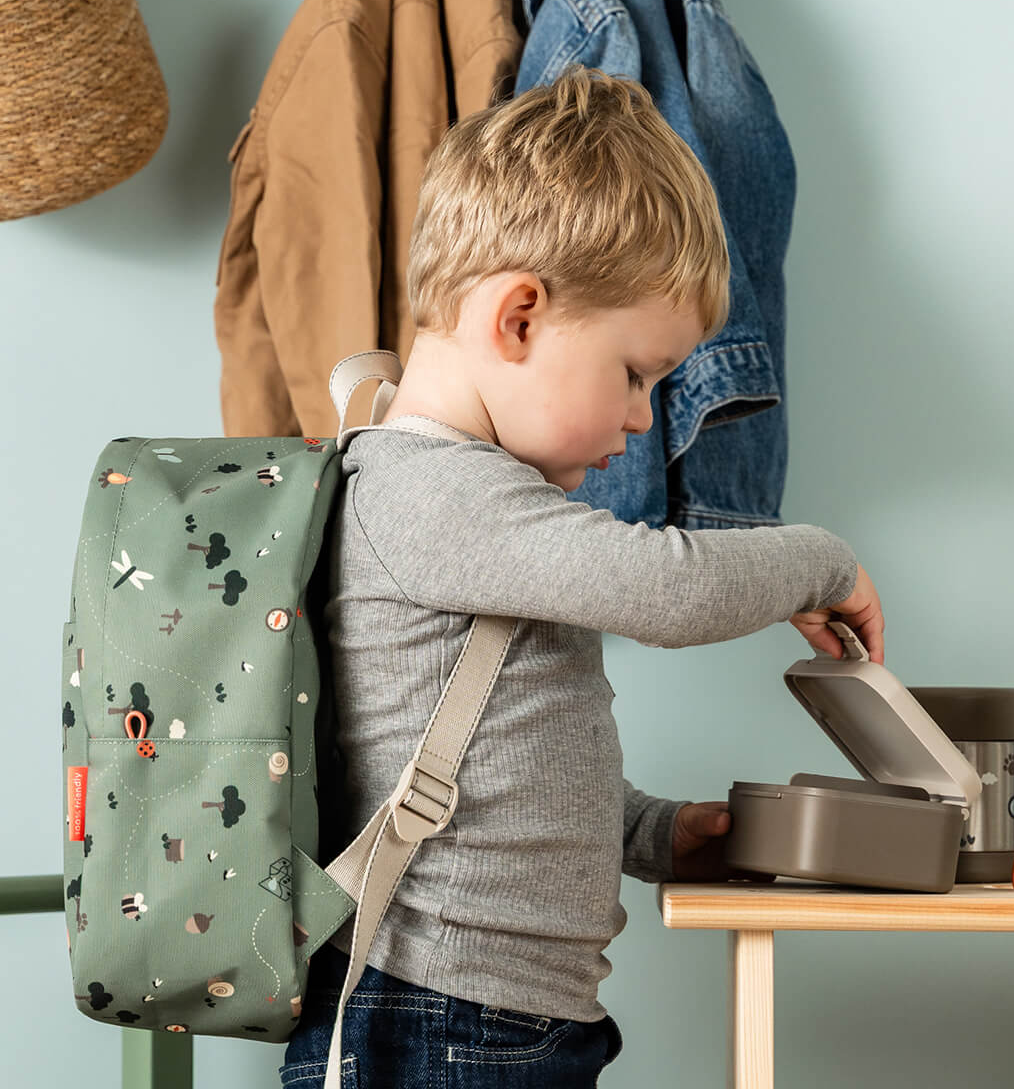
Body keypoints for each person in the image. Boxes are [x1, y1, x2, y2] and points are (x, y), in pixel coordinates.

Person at [280, 65, 884, 1087]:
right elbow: (671, 588)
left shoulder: (479, 508)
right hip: (432, 1020)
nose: (645, 418)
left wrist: (650, 831)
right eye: (636, 373)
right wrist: (822, 559)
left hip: (492, 1018)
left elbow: (492, 753)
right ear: (518, 319)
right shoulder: (427, 492)